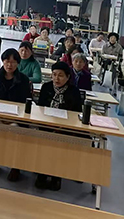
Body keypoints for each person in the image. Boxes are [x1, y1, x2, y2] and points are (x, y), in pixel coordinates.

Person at [0, 48, 31, 181]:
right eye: (7, 61)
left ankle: (15, 166)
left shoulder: (23, 79)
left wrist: (12, 117)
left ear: (18, 63)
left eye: (13, 62)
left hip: (16, 118)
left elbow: (25, 101)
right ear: (3, 62)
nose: (9, 65)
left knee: (15, 131)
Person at [37, 61, 82, 191]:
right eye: (54, 75)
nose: (56, 78)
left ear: (68, 77)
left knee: (59, 143)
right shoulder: (46, 87)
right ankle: (42, 172)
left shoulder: (74, 92)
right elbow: (40, 108)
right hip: (46, 124)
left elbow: (76, 114)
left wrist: (62, 126)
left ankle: (56, 176)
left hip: (65, 128)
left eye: (60, 75)